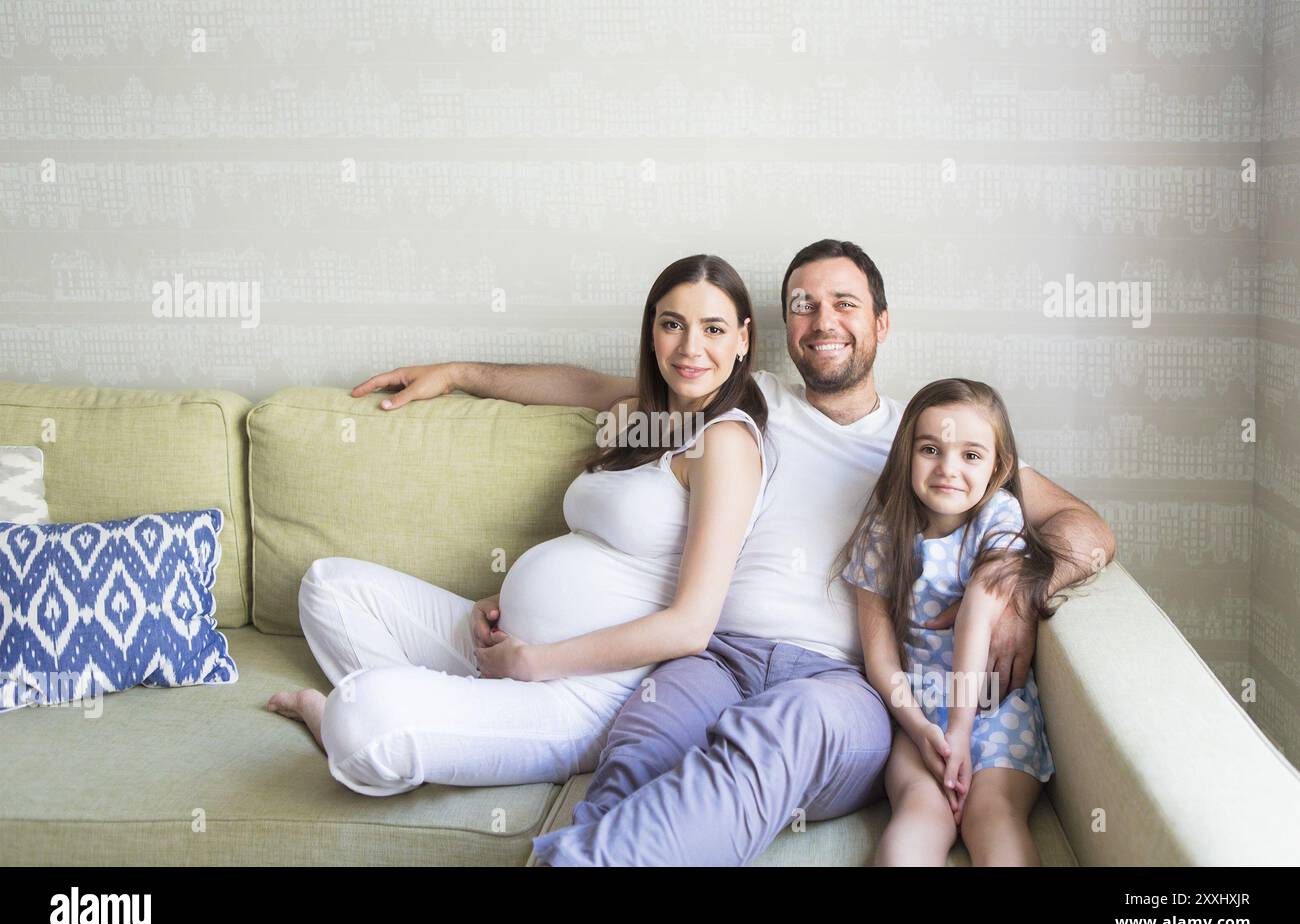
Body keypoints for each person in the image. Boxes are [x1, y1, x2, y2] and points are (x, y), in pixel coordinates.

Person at [357, 239, 1117, 864]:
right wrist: (459, 372)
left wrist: (1022, 584)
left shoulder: (930, 440)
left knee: (773, 737)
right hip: (714, 658)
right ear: (782, 327)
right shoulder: (748, 399)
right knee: (643, 742)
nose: (823, 320)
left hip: (840, 684)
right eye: (804, 305)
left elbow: (1086, 527)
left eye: (844, 304)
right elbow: (592, 386)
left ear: (881, 324)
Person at [265, 253, 770, 793]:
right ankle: (437, 724)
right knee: (329, 586)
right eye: (673, 324)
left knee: (363, 718)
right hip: (503, 644)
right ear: (652, 333)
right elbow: (575, 384)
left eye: (712, 328)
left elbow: (691, 626)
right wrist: (456, 374)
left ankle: (351, 724)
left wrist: (536, 661)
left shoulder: (725, 443)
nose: (691, 348)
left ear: (742, 338)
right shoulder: (644, 412)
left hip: (576, 693)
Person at [841, 378, 1082, 866]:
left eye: (971, 455)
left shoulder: (1000, 514)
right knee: (918, 813)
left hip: (994, 707)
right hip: (918, 711)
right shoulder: (883, 529)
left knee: (990, 814)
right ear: (906, 455)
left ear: (1000, 466)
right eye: (931, 449)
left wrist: (960, 728)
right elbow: (880, 656)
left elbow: (976, 612)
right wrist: (924, 728)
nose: (948, 469)